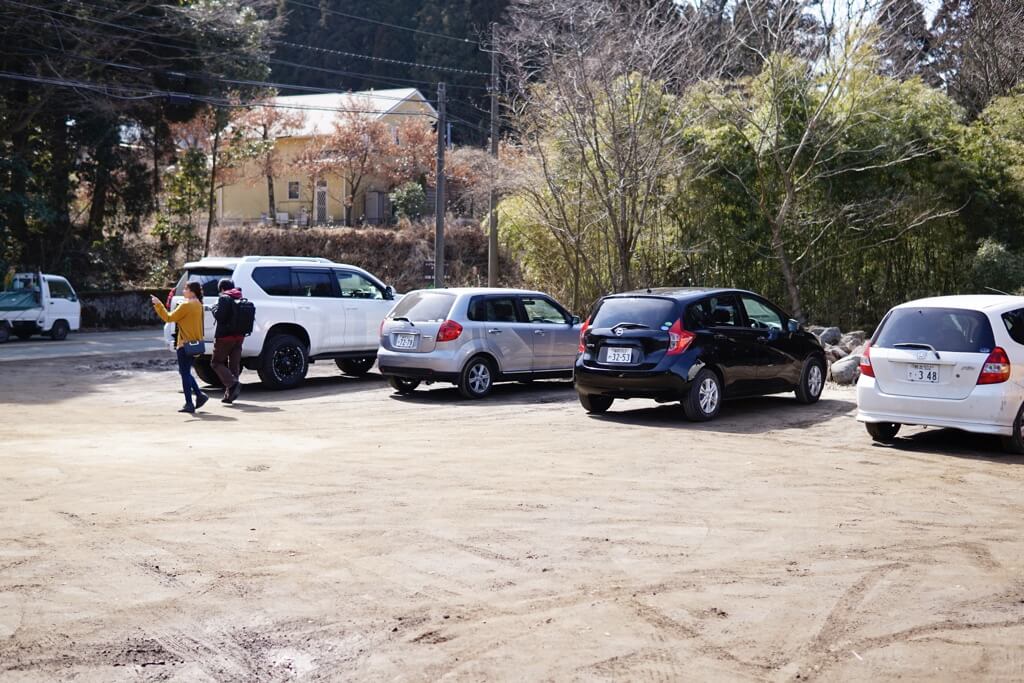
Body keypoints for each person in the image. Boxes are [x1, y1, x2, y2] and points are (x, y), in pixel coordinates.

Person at [150, 282, 209, 414]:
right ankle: (199, 396)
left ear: (192, 291)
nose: (183, 291)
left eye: (185, 289)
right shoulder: (198, 304)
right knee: (185, 373)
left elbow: (168, 317)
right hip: (195, 344)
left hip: (184, 344)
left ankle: (189, 403)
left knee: (185, 374)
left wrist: (158, 304)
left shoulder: (186, 305)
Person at [212, 278, 244, 403]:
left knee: (216, 362)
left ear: (222, 289)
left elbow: (220, 316)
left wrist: (214, 308)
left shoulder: (224, 298)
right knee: (234, 364)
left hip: (225, 337)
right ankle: (230, 395)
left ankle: (233, 384)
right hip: (240, 336)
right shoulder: (240, 297)